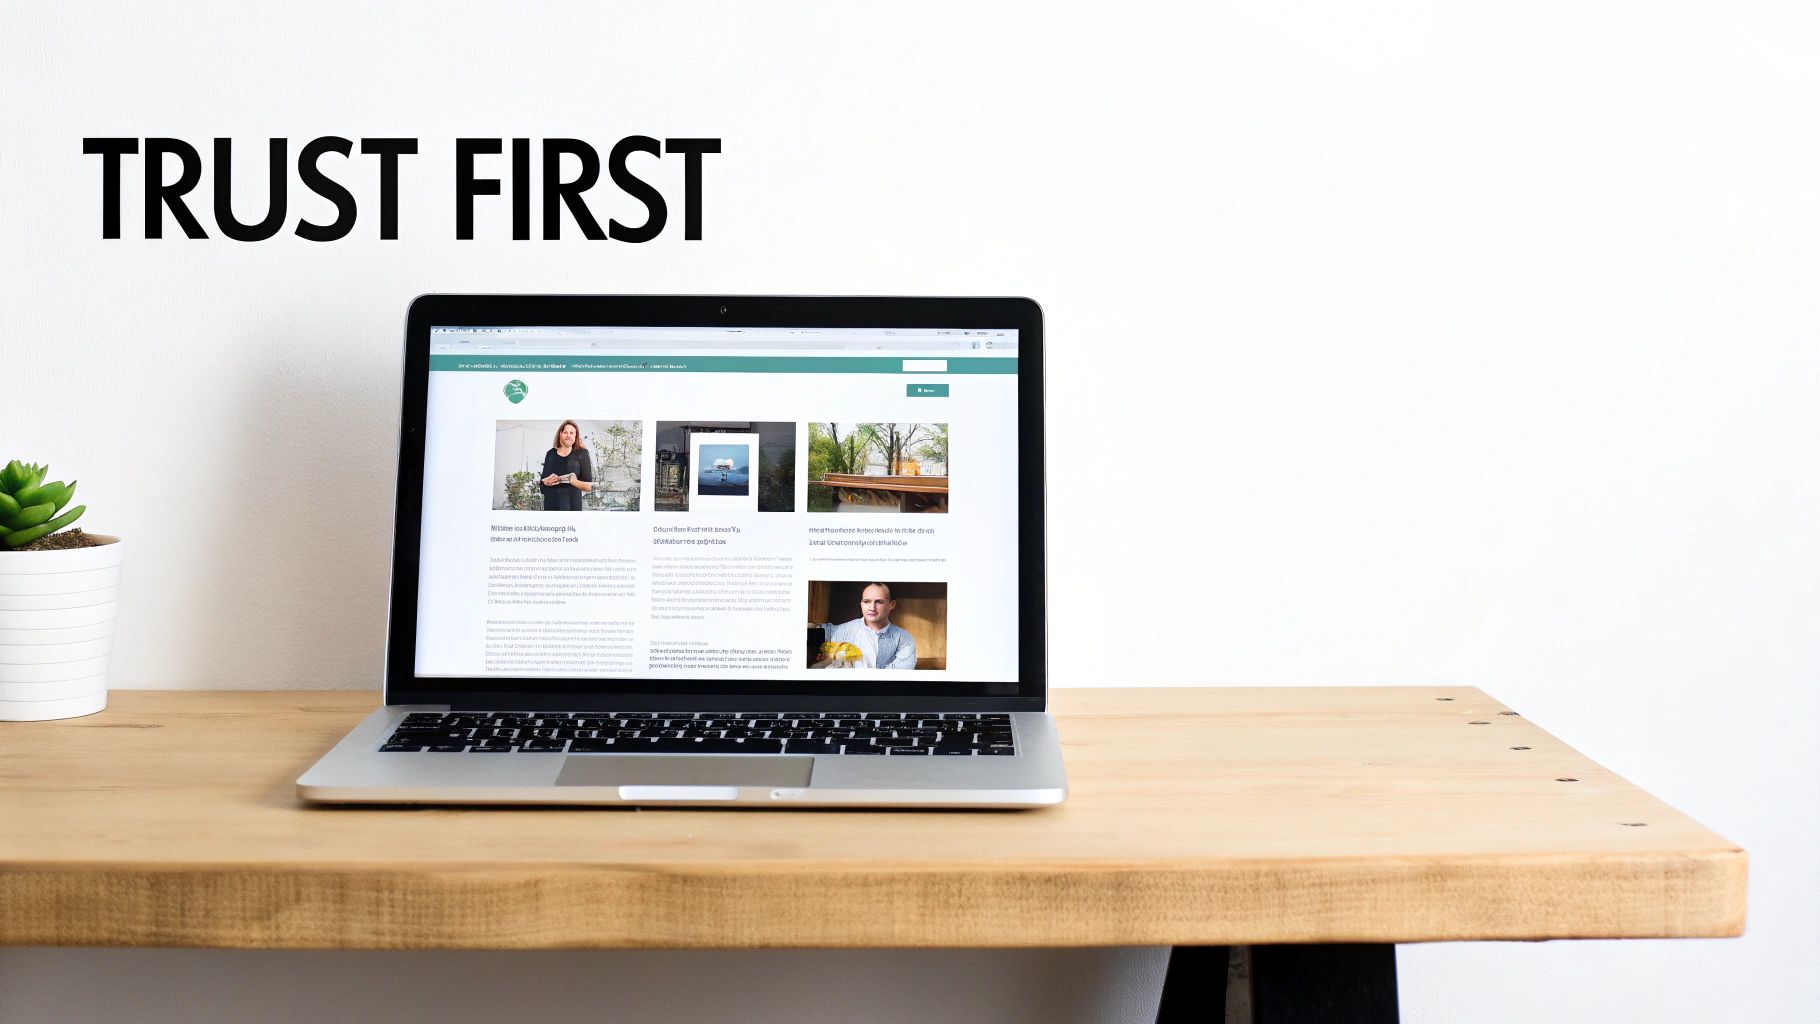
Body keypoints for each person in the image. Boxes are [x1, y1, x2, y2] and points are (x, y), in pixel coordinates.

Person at [813, 582, 917, 669]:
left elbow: (900, 675)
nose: (872, 607)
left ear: (892, 605)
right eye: (866, 601)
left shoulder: (904, 638)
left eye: (879, 602)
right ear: (861, 604)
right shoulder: (837, 630)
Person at [538, 420, 594, 511]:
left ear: (575, 436)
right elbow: (542, 487)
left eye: (571, 433)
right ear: (560, 434)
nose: (568, 435)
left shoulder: (582, 453)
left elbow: (589, 487)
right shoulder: (550, 454)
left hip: (572, 510)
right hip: (550, 509)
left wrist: (573, 481)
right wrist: (546, 483)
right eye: (565, 432)